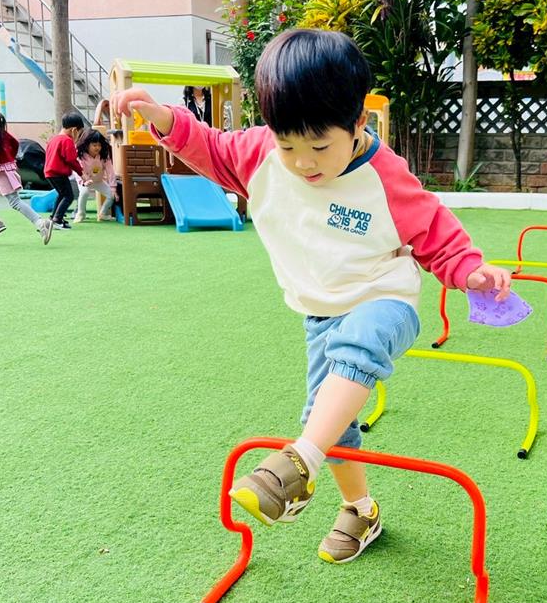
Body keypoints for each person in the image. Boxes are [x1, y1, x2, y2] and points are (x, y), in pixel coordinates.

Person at [110, 29, 511, 564]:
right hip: (320, 311)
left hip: (383, 298)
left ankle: (298, 462)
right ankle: (361, 510)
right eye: (288, 145)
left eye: (320, 146)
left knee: (356, 352)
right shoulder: (260, 156)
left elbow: (434, 229)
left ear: (358, 124)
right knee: (330, 421)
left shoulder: (383, 176)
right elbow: (210, 147)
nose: (303, 162)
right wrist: (163, 119)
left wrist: (470, 270)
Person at [0, 91, 52, 244]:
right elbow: (14, 143)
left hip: (0, 172)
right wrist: (9, 159)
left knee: (14, 201)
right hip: (1, 170)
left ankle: (41, 223)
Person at [45, 112, 84, 229]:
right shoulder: (67, 140)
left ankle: (54, 218)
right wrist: (82, 173)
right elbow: (71, 160)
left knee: (62, 194)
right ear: (74, 130)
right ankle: (57, 219)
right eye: (79, 133)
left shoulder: (54, 139)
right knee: (68, 196)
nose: (78, 136)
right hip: (59, 173)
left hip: (49, 173)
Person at [74, 129, 117, 223]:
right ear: (87, 145)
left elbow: (110, 171)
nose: (97, 148)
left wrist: (113, 187)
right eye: (94, 145)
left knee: (111, 195)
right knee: (84, 192)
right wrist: (84, 181)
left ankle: (102, 214)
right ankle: (81, 214)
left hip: (98, 181)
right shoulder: (80, 155)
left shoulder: (103, 155)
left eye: (99, 145)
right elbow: (78, 170)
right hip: (85, 181)